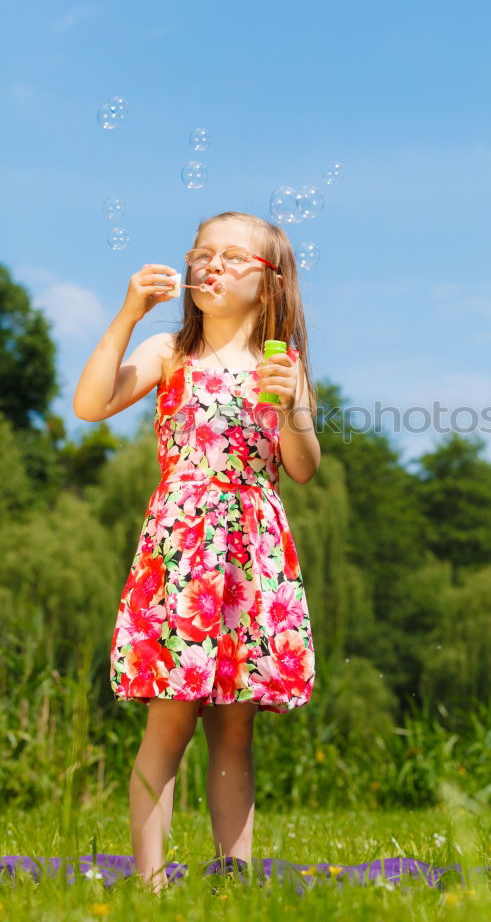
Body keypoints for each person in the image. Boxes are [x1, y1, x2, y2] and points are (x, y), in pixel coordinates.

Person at [73, 210, 320, 894]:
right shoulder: (167, 352)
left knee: (234, 729)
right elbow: (91, 404)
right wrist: (127, 314)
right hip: (182, 556)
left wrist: (293, 407)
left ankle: (232, 873)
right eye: (201, 254)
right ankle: (150, 881)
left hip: (250, 556)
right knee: (170, 718)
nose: (210, 264)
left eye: (232, 257)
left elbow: (301, 466)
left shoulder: (282, 365)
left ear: (269, 285)